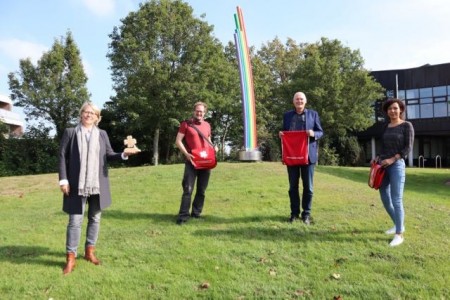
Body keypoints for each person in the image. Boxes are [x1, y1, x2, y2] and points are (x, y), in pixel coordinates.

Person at [58, 102, 138, 275]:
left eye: (92, 113)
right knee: (75, 221)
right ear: (81, 114)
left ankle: (89, 252)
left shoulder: (102, 134)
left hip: (97, 184)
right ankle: (71, 258)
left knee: (95, 218)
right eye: (85, 112)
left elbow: (109, 155)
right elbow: (62, 156)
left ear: (97, 117)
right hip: (76, 184)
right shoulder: (70, 133)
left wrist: (124, 154)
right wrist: (63, 180)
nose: (88, 115)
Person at [371, 98, 414, 247]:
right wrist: (377, 157)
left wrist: (392, 159)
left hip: (396, 165)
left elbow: (407, 148)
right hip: (382, 165)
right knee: (384, 198)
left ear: (400, 110)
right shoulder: (385, 126)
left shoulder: (406, 126)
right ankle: (398, 224)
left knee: (396, 199)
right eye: (390, 109)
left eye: (395, 108)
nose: (393, 111)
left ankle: (399, 234)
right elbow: (382, 146)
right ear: (387, 112)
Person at [279, 92, 324, 225]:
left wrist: (313, 133)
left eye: (301, 99)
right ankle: (294, 214)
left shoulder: (313, 114)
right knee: (293, 187)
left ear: (305, 101)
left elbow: (320, 132)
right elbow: (284, 132)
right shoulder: (287, 116)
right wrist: (281, 134)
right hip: (292, 156)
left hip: (308, 157)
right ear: (293, 102)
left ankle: (306, 214)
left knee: (308, 187)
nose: (299, 101)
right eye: (297, 99)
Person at [175, 102, 214, 225]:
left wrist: (214, 147)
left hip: (205, 162)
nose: (199, 113)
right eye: (197, 111)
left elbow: (209, 140)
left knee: (201, 190)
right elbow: (178, 141)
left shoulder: (207, 125)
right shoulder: (186, 124)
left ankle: (196, 213)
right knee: (188, 189)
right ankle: (183, 216)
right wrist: (186, 154)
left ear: (204, 113)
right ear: (194, 111)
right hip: (191, 161)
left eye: (201, 111)